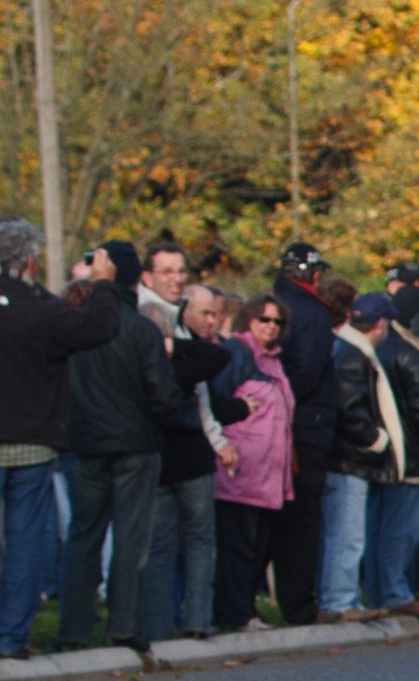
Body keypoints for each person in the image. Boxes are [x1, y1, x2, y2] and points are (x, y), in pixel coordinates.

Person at [0, 219, 119, 657]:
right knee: (26, 543)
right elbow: (96, 328)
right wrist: (103, 284)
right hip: (32, 440)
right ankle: (11, 636)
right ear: (31, 259)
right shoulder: (43, 312)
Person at [59, 241, 184, 651]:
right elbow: (163, 395)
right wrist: (167, 422)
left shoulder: (77, 328)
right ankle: (122, 624)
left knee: (84, 535)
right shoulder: (141, 329)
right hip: (135, 443)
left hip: (88, 442)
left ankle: (74, 629)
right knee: (131, 538)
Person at [141, 282, 249, 640]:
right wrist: (173, 343)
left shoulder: (140, 367)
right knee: (200, 542)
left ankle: (158, 624)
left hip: (159, 462)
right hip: (190, 460)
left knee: (160, 548)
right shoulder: (182, 364)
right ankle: (197, 620)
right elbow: (217, 357)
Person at [209, 292, 297, 632]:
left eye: (278, 321)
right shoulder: (237, 353)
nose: (271, 327)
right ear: (249, 320)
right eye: (265, 320)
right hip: (240, 468)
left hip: (270, 472)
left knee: (258, 546)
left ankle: (245, 608)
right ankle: (232, 613)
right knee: (237, 545)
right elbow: (218, 403)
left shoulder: (274, 361)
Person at [317, 294, 407, 622]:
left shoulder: (346, 349)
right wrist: (377, 439)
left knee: (345, 531)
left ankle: (343, 597)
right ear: (380, 324)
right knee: (347, 533)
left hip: (345, 457)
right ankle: (340, 599)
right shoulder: (353, 356)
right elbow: (350, 408)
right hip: (349, 460)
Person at [266, 241, 339, 624]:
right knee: (301, 521)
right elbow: (308, 372)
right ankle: (299, 604)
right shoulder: (312, 312)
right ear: (313, 274)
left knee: (264, 518)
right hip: (304, 427)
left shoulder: (268, 304)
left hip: (264, 426)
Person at [371, 285, 419, 614]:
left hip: (384, 452)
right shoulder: (411, 354)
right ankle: (396, 592)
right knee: (401, 528)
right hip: (412, 454)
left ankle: (379, 591)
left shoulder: (382, 349)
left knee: (378, 525)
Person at [136, 241, 188, 332]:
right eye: (167, 272)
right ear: (147, 278)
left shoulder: (178, 311)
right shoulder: (144, 318)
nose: (178, 279)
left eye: (182, 271)